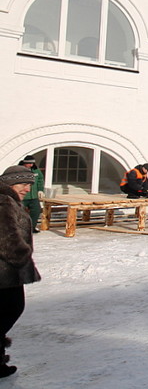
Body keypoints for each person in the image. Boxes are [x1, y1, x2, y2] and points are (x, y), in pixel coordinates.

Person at [0, 166, 42, 378]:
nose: (27, 188)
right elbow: (5, 236)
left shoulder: (8, 200)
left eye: (29, 184)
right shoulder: (4, 201)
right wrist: (22, 256)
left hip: (7, 271)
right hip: (6, 271)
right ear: (10, 183)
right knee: (11, 309)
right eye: (23, 184)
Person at [18, 156, 44, 233]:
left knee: (36, 211)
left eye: (32, 163)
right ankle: (20, 228)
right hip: (23, 196)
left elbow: (40, 180)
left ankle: (32, 227)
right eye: (29, 163)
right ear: (24, 163)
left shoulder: (36, 170)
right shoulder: (19, 170)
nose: (31, 165)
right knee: (20, 212)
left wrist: (40, 190)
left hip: (34, 196)